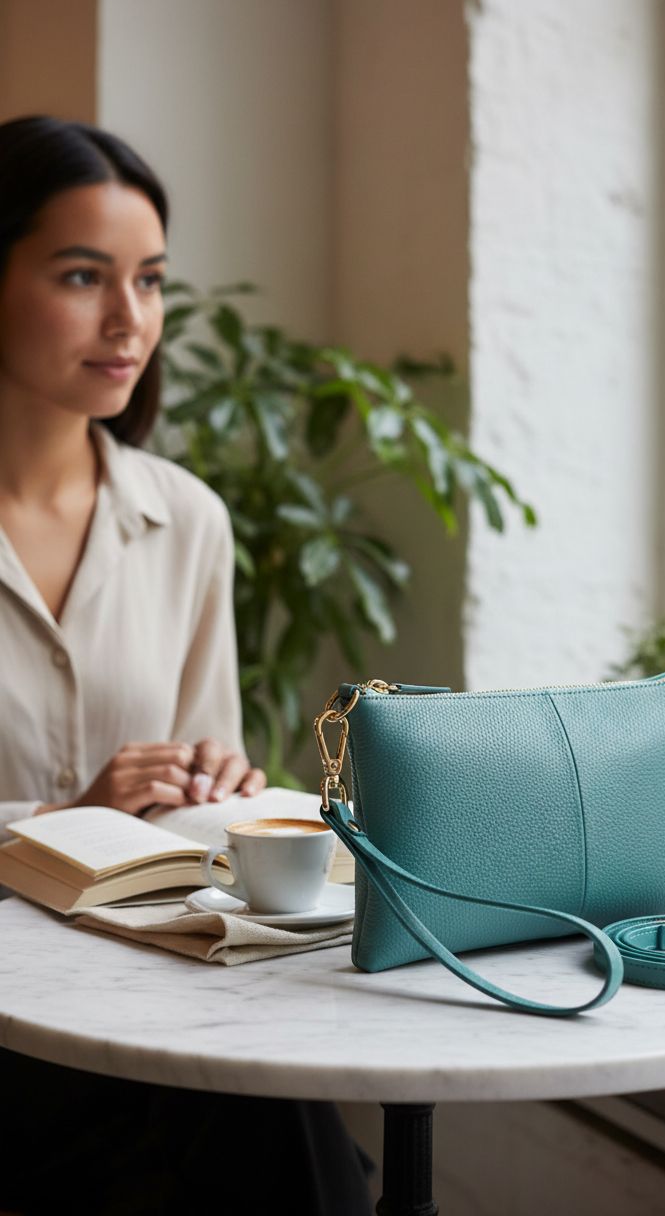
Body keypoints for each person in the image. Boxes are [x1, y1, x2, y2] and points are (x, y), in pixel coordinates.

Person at [0, 115, 372, 1216]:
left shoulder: (188, 521)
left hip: (134, 1003)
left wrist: (216, 785)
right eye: (83, 276)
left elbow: (205, 788)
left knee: (266, 1084)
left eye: (151, 281)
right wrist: (60, 824)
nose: (131, 321)